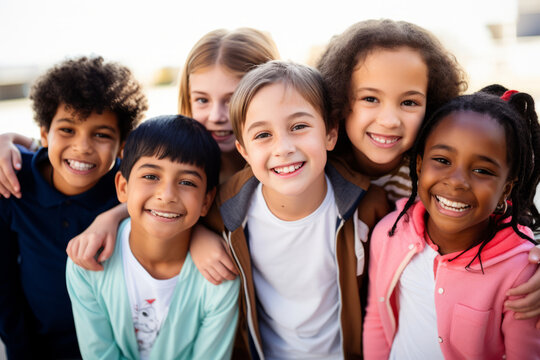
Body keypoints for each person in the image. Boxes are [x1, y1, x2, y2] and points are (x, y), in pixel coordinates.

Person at [315, 18, 540, 326]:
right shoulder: (313, 170)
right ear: (340, 99)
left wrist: (534, 264)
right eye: (370, 98)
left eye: (409, 101)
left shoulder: (440, 178)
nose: (390, 119)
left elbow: (513, 223)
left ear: (431, 106)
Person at [202, 60, 387, 359]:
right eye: (263, 135)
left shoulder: (367, 206)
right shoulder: (224, 212)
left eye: (299, 127)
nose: (283, 147)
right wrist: (200, 239)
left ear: (330, 133)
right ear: (244, 151)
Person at [363, 86, 540, 359]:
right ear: (419, 166)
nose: (457, 181)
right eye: (442, 160)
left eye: (482, 170)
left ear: (506, 189)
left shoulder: (520, 271)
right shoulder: (390, 232)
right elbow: (376, 319)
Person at [0, 56, 148, 359]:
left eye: (101, 134)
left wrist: (118, 212)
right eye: (67, 130)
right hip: (35, 348)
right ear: (44, 134)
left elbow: (168, 196)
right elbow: (3, 286)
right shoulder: (12, 182)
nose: (82, 146)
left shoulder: (128, 186)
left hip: (115, 349)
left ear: (122, 145)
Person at [66, 115, 240, 359]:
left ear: (206, 201)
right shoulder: (87, 263)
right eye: (151, 176)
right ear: (123, 187)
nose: (167, 195)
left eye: (187, 181)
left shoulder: (219, 278)